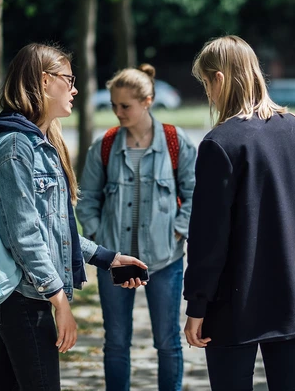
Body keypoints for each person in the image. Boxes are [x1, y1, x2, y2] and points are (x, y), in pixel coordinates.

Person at [0, 42, 147, 391]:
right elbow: (24, 236)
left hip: (26, 295)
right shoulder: (14, 147)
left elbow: (53, 229)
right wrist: (59, 302)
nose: (75, 88)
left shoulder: (39, 143)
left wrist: (108, 258)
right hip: (23, 297)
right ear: (43, 81)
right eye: (68, 79)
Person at [183, 35, 295, 391]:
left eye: (205, 83)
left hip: (234, 302)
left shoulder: (220, 143)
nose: (207, 93)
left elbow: (208, 238)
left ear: (220, 79)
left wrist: (197, 304)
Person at [77, 64, 197, 391]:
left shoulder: (175, 141)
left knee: (167, 341)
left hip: (165, 259)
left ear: (148, 101)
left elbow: (195, 193)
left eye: (125, 106)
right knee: (116, 341)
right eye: (114, 105)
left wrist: (178, 229)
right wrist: (97, 235)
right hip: (115, 260)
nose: (117, 112)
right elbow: (86, 198)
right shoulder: (105, 145)